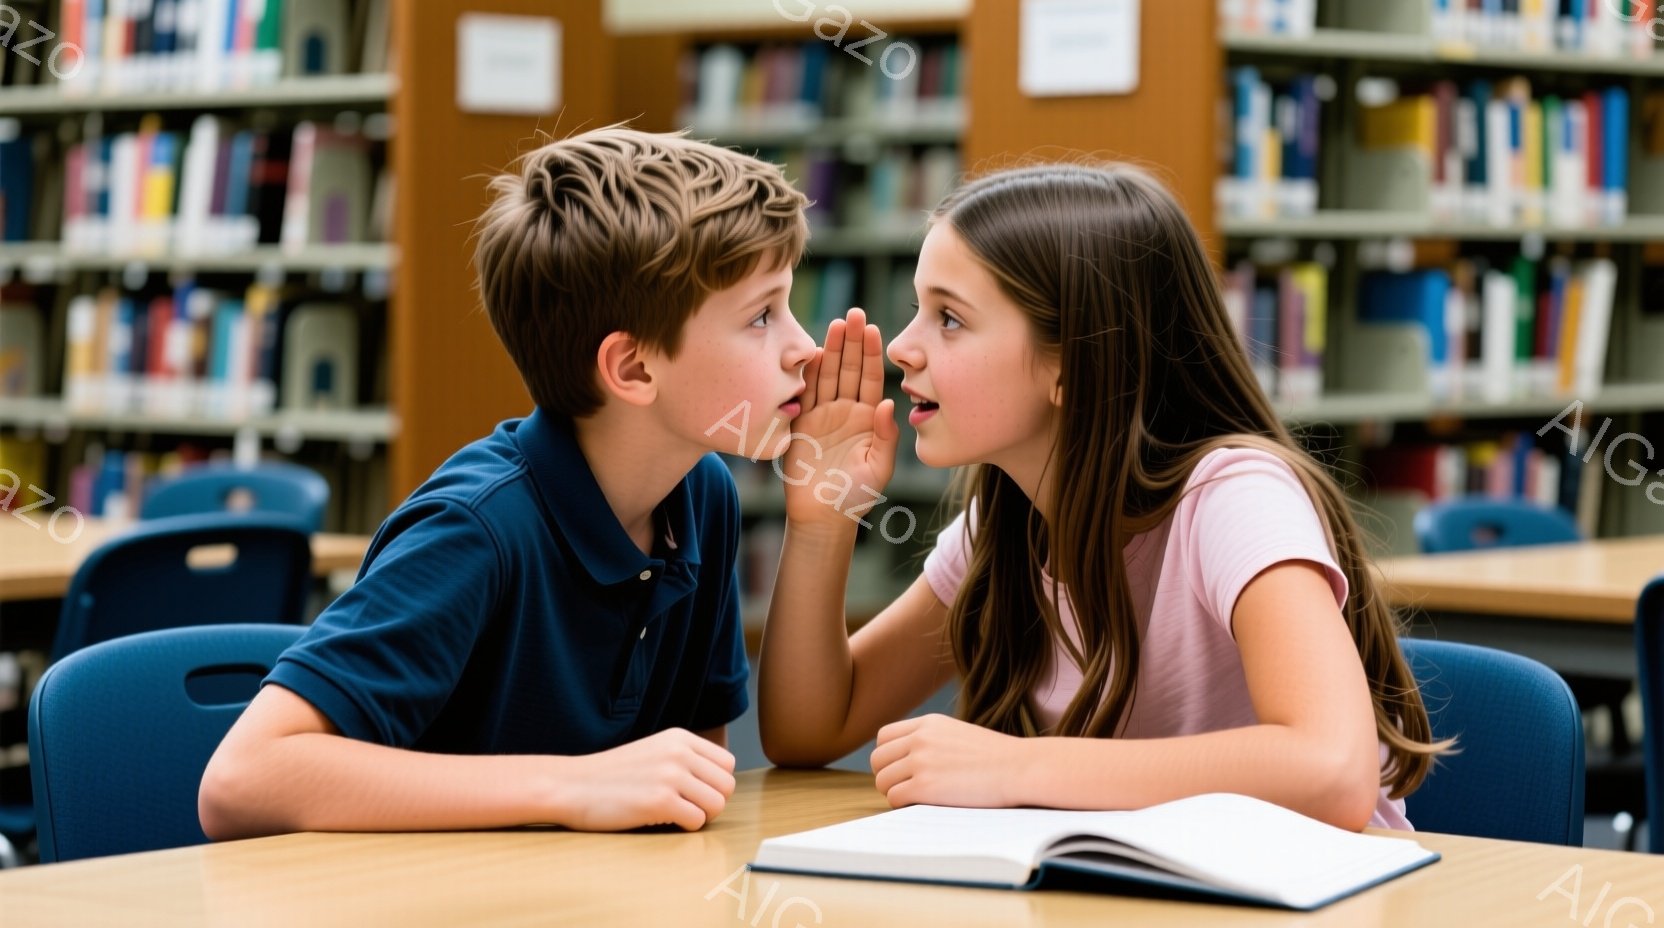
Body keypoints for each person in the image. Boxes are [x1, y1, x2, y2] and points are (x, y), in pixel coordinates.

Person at [757, 162, 1449, 831]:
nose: (903, 347)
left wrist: (1020, 769)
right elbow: (810, 728)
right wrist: (823, 523)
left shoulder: (1235, 500)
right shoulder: (1005, 526)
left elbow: (1331, 771)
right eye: (919, 309)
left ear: (1072, 365)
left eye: (951, 319)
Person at [200, 127, 818, 838]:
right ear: (634, 370)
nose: (804, 347)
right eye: (762, 316)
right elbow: (241, 780)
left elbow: (693, 770)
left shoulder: (703, 495)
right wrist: (570, 785)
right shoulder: (478, 528)